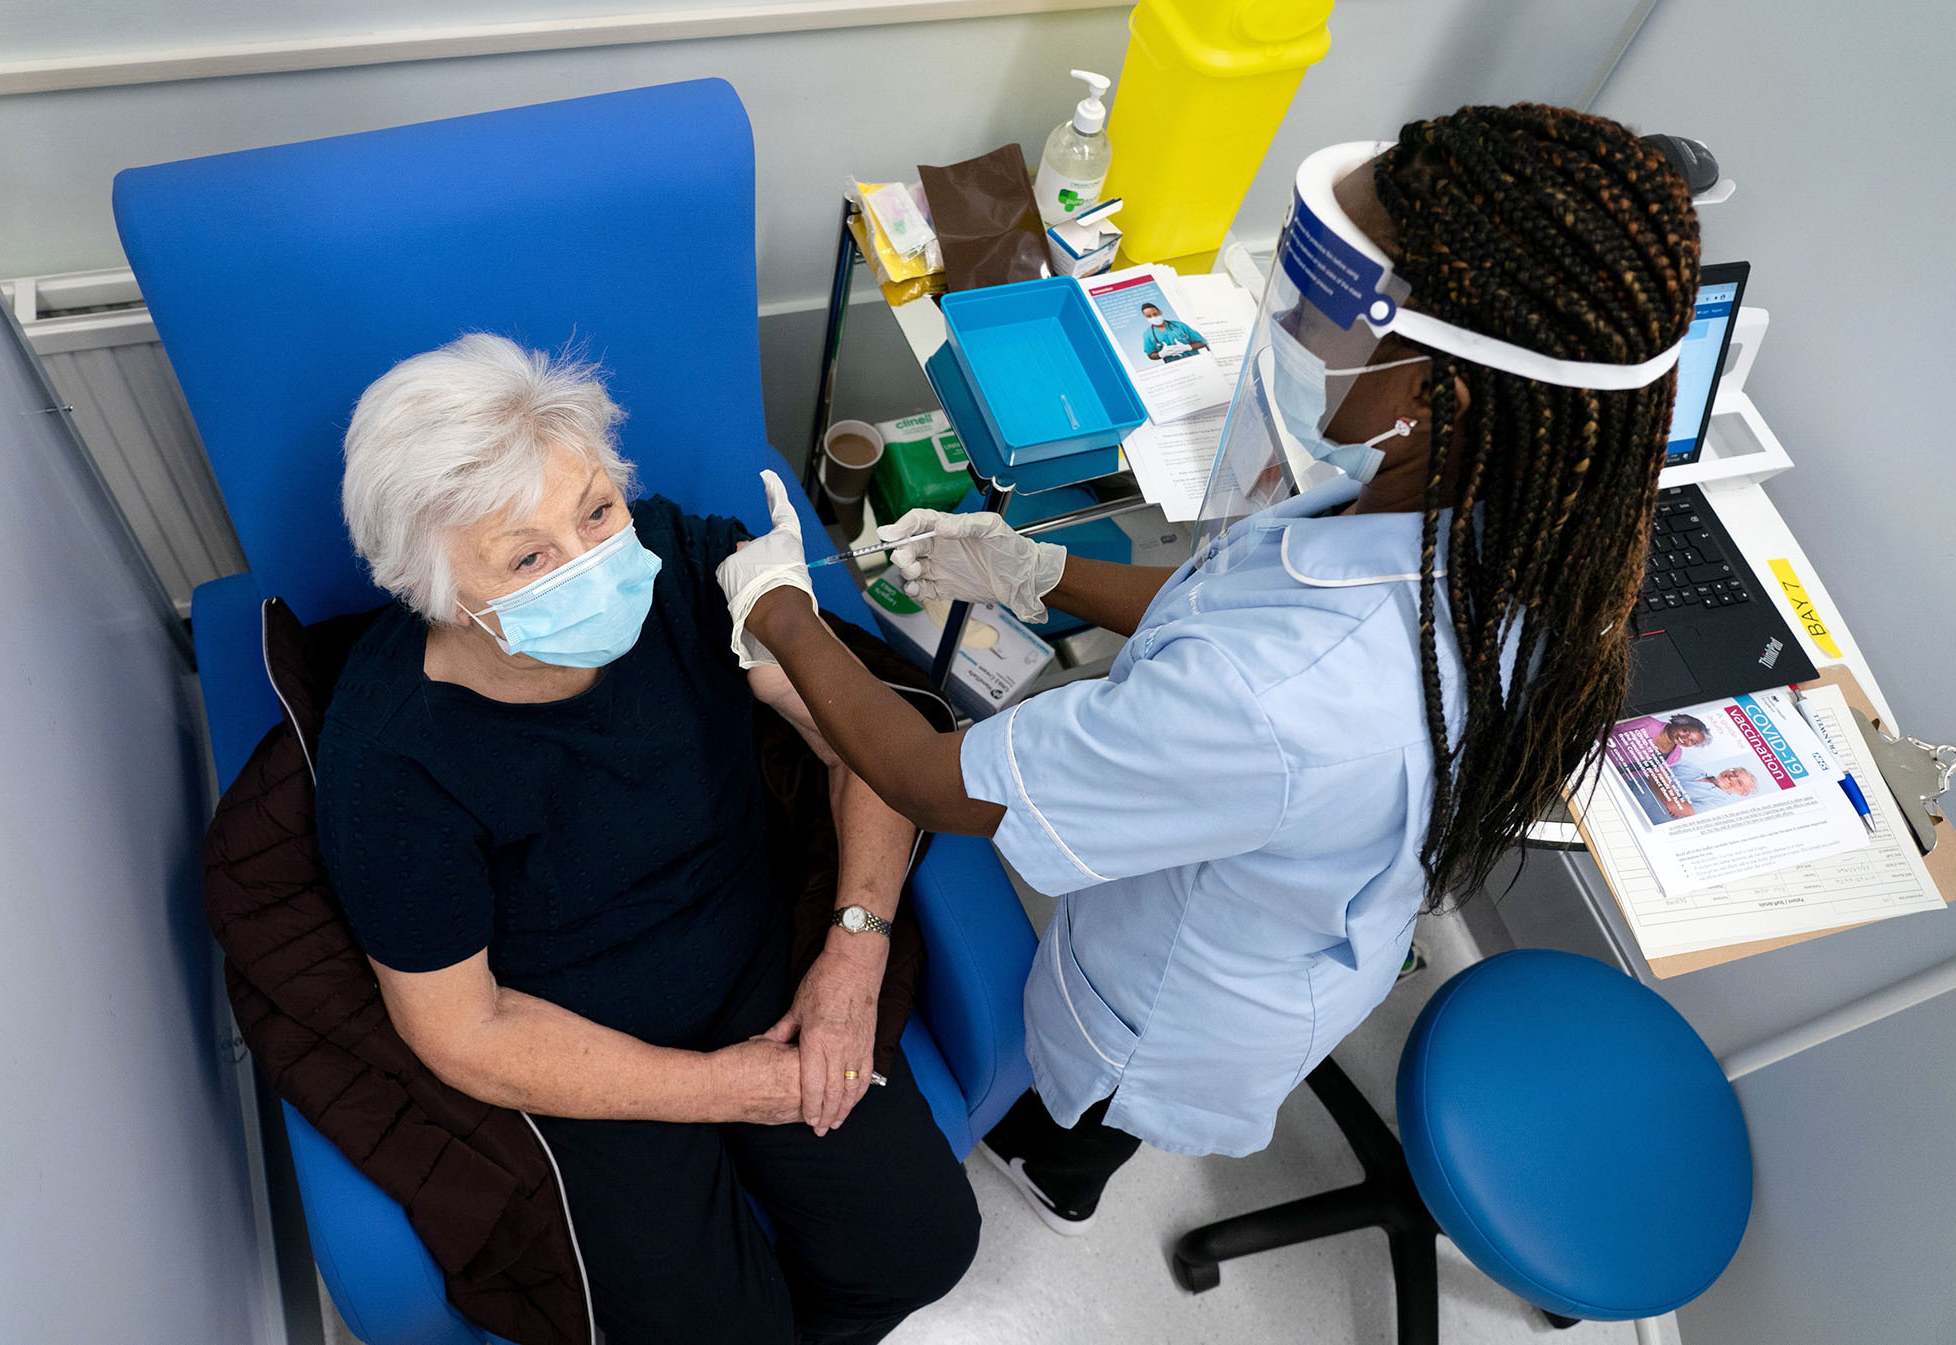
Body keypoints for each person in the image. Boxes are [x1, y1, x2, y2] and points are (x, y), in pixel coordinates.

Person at [715, 105, 1701, 1232]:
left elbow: (934, 784)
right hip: (1305, 908)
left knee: (1084, 1113)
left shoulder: (1280, 698)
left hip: (1181, 996)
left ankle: (1053, 1170)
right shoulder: (1509, 524)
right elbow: (1237, 594)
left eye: (1327, 308)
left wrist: (784, 608)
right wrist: (1038, 568)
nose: (1292, 325)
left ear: (1433, 399)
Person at [314, 335, 977, 1343]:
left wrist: (854, 947)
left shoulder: (683, 561)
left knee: (921, 1247)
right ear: (432, 590)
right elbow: (463, 1028)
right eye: (527, 556)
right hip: (575, 1038)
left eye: (595, 510)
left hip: (760, 953)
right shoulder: (393, 770)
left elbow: (868, 751)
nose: (592, 564)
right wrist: (723, 1089)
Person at [1674, 764, 1762, 813]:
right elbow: (1660, 769)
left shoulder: (1715, 804)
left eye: (1739, 783)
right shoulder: (1693, 768)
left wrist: (1664, 782)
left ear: (1742, 793)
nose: (1731, 777)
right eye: (1734, 772)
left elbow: (1676, 809)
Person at [1140, 302, 1208, 361]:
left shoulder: (1180, 325)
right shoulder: (1147, 335)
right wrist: (1161, 354)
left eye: (1155, 314)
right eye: (1149, 316)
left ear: (1160, 312)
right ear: (1145, 317)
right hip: (1174, 368)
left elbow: (1202, 342)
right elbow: (1150, 355)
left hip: (1196, 361)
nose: (1153, 317)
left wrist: (1187, 347)